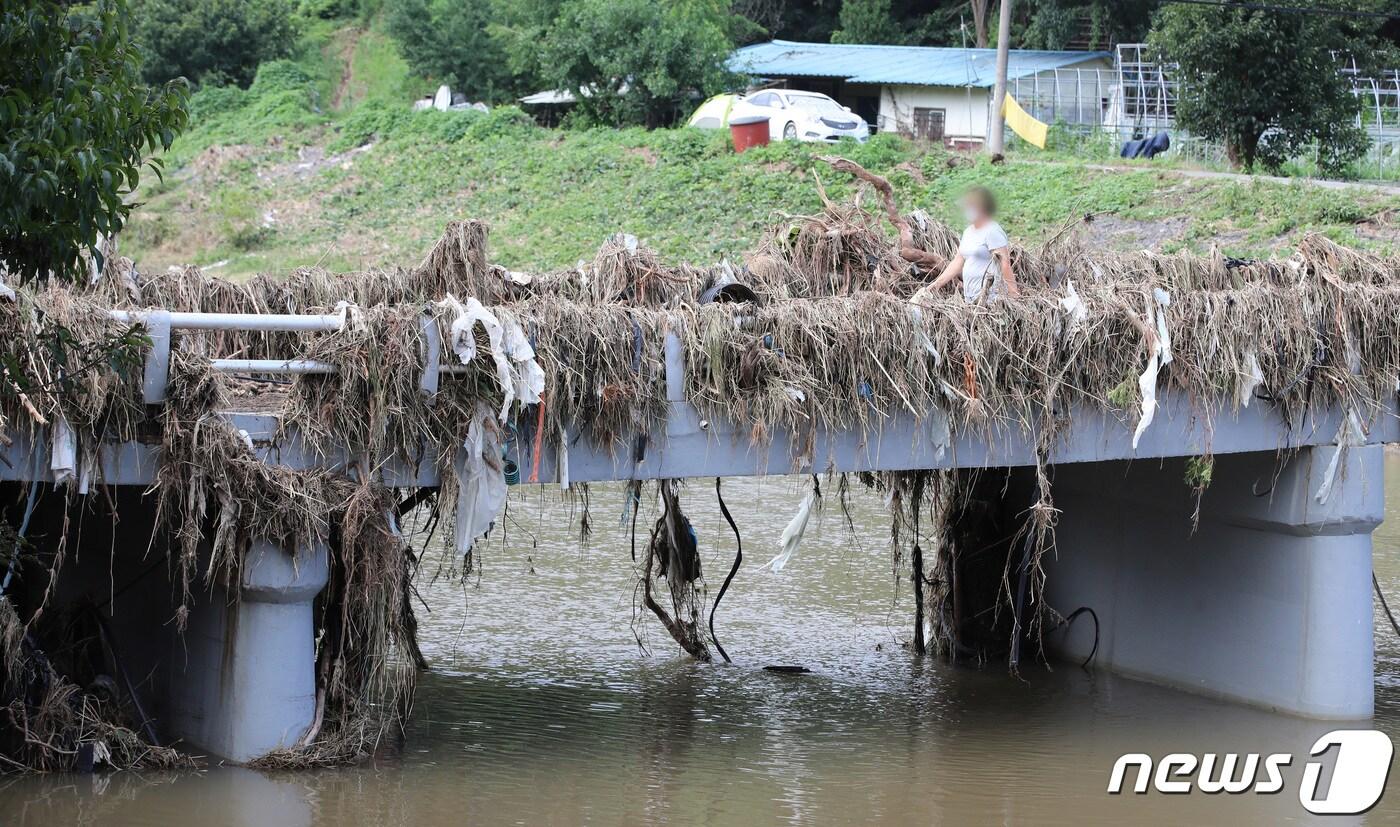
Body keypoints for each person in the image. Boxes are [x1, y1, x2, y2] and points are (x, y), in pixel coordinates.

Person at [919, 186, 1019, 303]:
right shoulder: (968, 232)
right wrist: (935, 285)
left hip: (991, 298)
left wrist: (1013, 294)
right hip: (971, 298)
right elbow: (958, 261)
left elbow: (1004, 263)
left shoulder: (992, 230)